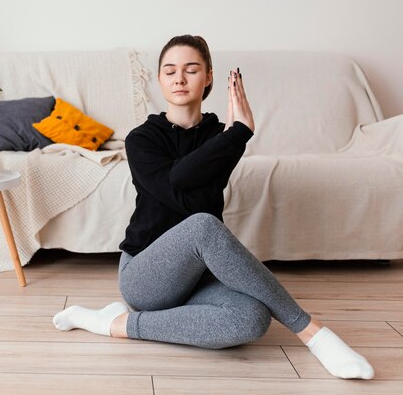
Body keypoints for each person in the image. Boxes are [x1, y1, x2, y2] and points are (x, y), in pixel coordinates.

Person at [52, 35, 374, 380]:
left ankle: (114, 323)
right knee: (202, 224)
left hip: (200, 277)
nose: (179, 78)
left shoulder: (220, 135)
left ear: (208, 78)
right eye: (170, 70)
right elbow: (182, 195)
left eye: (191, 70)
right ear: (159, 79)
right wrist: (237, 135)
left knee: (252, 319)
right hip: (145, 276)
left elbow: (197, 197)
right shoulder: (142, 139)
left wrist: (228, 137)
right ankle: (313, 332)